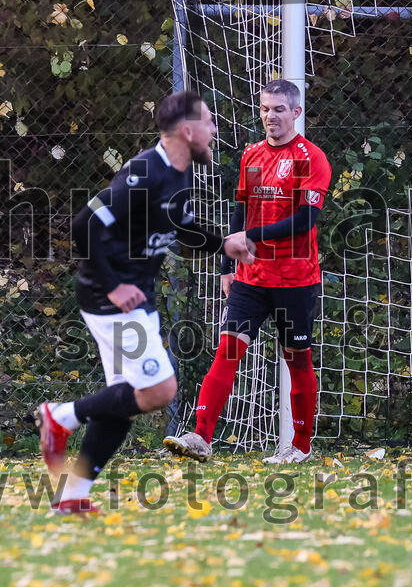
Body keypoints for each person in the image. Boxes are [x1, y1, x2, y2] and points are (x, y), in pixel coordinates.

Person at [34, 91, 251, 515]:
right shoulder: (145, 173)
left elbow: (181, 226)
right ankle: (60, 416)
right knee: (159, 390)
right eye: (208, 122)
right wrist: (114, 285)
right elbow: (85, 224)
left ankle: (73, 495)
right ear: (187, 131)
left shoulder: (179, 174)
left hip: (135, 297)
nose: (214, 130)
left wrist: (222, 242)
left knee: (125, 399)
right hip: (112, 298)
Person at [164, 78, 332, 465]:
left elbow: (305, 220)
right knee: (227, 350)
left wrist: (249, 236)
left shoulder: (311, 157)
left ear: (295, 112)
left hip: (295, 277)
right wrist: (227, 263)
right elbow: (242, 210)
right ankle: (201, 437)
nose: (270, 116)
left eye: (278, 109)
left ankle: (301, 446)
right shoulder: (252, 155)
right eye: (264, 109)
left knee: (297, 359)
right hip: (251, 278)